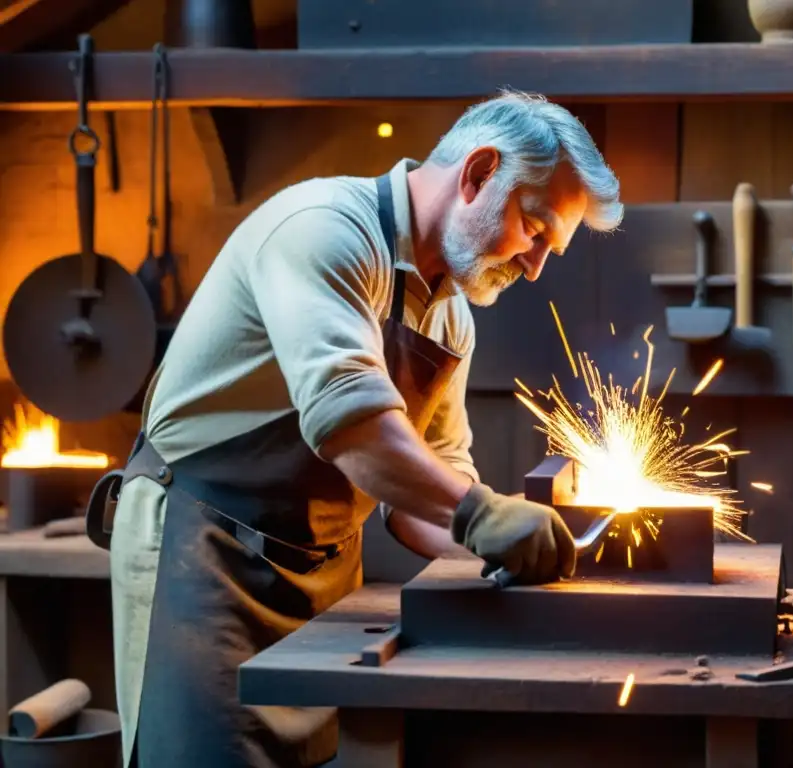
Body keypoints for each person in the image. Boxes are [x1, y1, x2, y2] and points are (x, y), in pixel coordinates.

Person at [87, 89, 623, 768]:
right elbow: (352, 428)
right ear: (479, 173)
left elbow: (420, 501)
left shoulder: (449, 317)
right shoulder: (324, 231)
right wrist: (481, 513)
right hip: (204, 553)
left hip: (320, 574)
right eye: (534, 227)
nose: (536, 264)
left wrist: (508, 559)